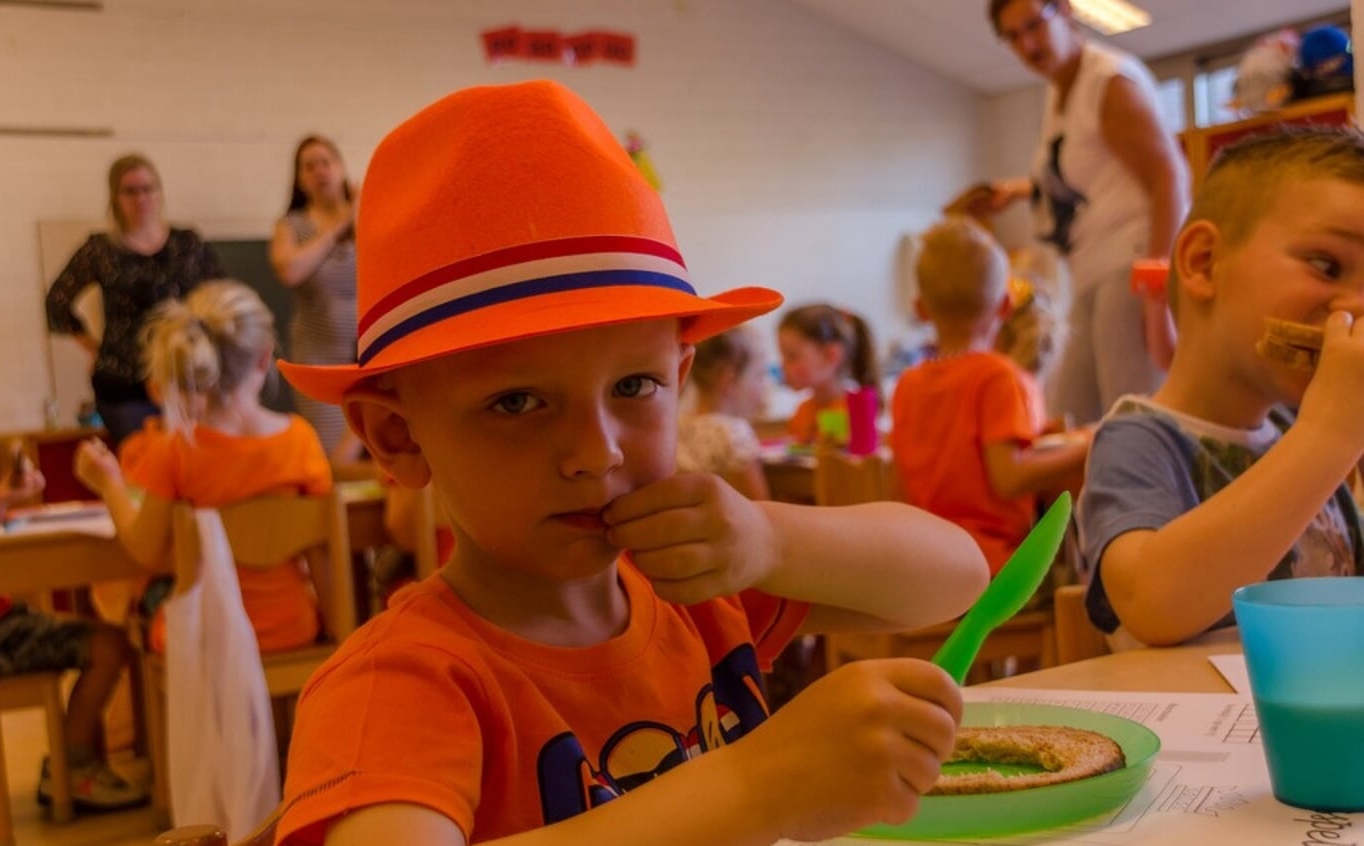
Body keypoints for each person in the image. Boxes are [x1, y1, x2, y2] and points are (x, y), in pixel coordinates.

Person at [271, 80, 988, 846]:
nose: (598, 451)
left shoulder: (697, 591)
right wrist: (754, 787)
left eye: (634, 386)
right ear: (397, 438)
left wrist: (770, 542)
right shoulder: (402, 685)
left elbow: (955, 577)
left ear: (677, 380)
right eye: (516, 402)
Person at [1078, 126, 1364, 650]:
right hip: (1185, 728)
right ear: (1203, 263)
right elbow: (1151, 603)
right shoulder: (1138, 440)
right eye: (1328, 266)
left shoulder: (1298, 437)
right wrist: (1330, 434)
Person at [0, 360, 145, 812]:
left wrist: (2, 504)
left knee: (105, 638)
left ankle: (75, 763)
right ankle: (74, 769)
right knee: (108, 645)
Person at [73, 280, 333, 656]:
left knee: (137, 613)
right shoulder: (301, 441)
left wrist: (109, 482)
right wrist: (336, 629)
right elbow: (322, 557)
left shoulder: (177, 450)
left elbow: (145, 550)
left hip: (203, 638)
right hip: (291, 627)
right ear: (264, 357)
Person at [975, 0, 1190, 424]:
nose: (1028, 44)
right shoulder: (1058, 92)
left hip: (1128, 265)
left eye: (1034, 25)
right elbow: (1083, 181)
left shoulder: (1108, 83)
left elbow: (1171, 177)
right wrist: (1018, 191)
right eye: (1013, 36)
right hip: (1091, 273)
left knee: (1131, 422)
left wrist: (1157, 289)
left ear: (1067, 14)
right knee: (1070, 419)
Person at [892, 218, 1089, 577]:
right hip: (992, 567)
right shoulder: (997, 375)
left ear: (920, 309)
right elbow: (1008, 478)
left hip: (927, 561)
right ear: (1003, 306)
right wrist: (1088, 448)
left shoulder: (908, 382)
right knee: (1081, 584)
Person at [45, 154, 225, 444]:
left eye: (147, 189)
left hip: (183, 374)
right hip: (124, 380)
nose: (141, 198)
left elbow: (221, 296)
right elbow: (57, 301)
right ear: (115, 198)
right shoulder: (101, 249)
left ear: (159, 192)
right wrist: (93, 347)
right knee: (142, 465)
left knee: (190, 460)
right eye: (130, 191)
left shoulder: (187, 243)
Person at [269, 135, 364, 464]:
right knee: (336, 458)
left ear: (340, 167)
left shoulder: (365, 213)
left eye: (326, 162)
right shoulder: (292, 225)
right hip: (319, 360)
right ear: (299, 179)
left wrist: (361, 212)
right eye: (309, 166)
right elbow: (290, 270)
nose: (320, 171)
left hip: (370, 357)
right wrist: (339, 228)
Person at [676, 325, 772, 500]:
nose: (765, 385)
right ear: (730, 380)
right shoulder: (735, 433)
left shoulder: (677, 426)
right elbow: (760, 510)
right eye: (760, 375)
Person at [776, 303, 881, 445]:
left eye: (792, 356)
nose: (783, 365)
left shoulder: (851, 410)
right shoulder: (803, 410)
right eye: (783, 356)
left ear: (831, 355)